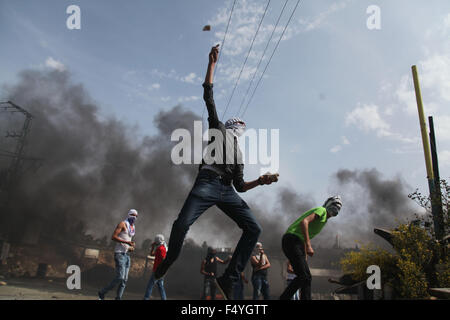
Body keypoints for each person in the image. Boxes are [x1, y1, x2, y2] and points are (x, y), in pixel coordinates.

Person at [154, 45, 278, 299]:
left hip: (227, 191)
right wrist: (211, 65)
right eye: (239, 124)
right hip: (207, 183)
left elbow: (241, 187)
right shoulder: (218, 129)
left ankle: (229, 275)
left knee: (254, 228)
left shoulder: (240, 155)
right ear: (231, 125)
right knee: (181, 226)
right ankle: (166, 264)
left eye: (244, 126)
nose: (241, 127)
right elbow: (208, 98)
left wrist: (261, 181)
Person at [280, 196, 343, 300]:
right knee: (304, 276)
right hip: (292, 240)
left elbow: (304, 237)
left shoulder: (324, 220)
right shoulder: (321, 210)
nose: (337, 208)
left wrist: (304, 256)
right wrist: (309, 246)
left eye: (339, 207)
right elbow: (304, 222)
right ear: (328, 204)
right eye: (335, 205)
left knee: (306, 277)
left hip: (296, 242)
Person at [98, 209, 138, 300]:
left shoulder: (133, 227)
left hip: (127, 255)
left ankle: (118, 298)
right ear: (128, 214)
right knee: (120, 277)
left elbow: (128, 240)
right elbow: (113, 237)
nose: (134, 217)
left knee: (124, 280)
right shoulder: (122, 224)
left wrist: (130, 247)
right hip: (119, 254)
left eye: (136, 216)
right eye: (132, 215)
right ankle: (102, 292)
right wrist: (127, 243)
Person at [143, 234, 167, 300]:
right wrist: (153, 247)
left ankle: (146, 298)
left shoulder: (161, 248)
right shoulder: (161, 247)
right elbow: (152, 254)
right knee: (160, 286)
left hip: (158, 270)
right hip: (160, 270)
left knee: (150, 284)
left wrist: (161, 269)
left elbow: (163, 259)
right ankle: (164, 298)